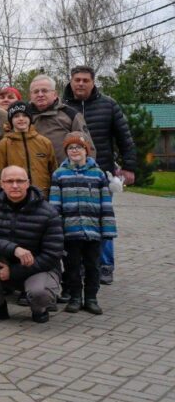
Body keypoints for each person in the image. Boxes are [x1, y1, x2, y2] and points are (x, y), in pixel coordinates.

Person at [63, 65, 136, 284]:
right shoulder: (63, 107)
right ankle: (80, 266)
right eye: (77, 80)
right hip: (70, 174)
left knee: (102, 220)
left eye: (85, 80)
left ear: (93, 82)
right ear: (71, 81)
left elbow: (125, 137)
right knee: (75, 221)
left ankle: (105, 266)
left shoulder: (108, 105)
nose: (81, 84)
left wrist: (129, 166)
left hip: (101, 174)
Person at [0, 165, 64, 324]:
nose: (15, 185)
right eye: (9, 181)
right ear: (2, 184)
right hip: (4, 264)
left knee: (39, 293)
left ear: (28, 183)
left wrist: (13, 271)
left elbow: (52, 255)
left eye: (20, 181)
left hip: (38, 268)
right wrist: (14, 249)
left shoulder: (48, 212)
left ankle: (39, 309)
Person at [49, 132, 116, 315]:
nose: (75, 150)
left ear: (86, 150)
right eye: (71, 148)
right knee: (72, 266)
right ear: (66, 152)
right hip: (70, 232)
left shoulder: (98, 174)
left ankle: (91, 298)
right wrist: (56, 229)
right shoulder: (59, 174)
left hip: (93, 231)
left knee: (92, 266)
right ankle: (75, 297)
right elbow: (55, 205)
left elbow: (106, 204)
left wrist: (108, 229)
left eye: (79, 147)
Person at [28, 74, 94, 164]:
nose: (40, 95)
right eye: (36, 92)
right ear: (30, 95)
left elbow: (88, 146)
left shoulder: (71, 114)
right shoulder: (24, 117)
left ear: (55, 94)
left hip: (66, 170)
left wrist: (88, 169)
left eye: (44, 91)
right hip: (35, 170)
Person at [0, 102, 57, 191]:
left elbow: (53, 170)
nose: (21, 119)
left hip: (42, 194)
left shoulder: (45, 142)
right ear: (11, 120)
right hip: (15, 193)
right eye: (16, 116)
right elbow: (0, 174)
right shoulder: (3, 145)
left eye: (25, 115)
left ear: (30, 118)